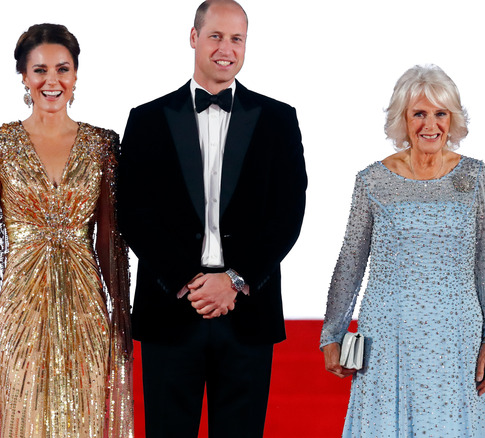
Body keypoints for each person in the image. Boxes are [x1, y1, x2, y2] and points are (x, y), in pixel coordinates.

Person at [117, 0, 307, 436]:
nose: (226, 48)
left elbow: (287, 213)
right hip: (171, 309)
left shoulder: (279, 119)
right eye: (216, 36)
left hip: (247, 312)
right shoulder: (147, 119)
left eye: (236, 38)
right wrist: (186, 280)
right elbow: (134, 211)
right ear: (194, 37)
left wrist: (234, 281)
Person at [0, 23, 133, 437]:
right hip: (19, 308)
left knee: (83, 418)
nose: (51, 81)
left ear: (75, 75)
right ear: (23, 76)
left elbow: (110, 241)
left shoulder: (103, 144)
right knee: (23, 417)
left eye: (62, 69)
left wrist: (121, 317)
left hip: (86, 308)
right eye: (40, 70)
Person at [321, 64, 485, 437]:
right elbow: (351, 262)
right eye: (419, 113)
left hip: (457, 337)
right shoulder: (372, 180)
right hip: (388, 336)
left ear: (452, 119)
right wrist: (331, 334)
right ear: (403, 119)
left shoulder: (473, 176)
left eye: (440, 113)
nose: (429, 125)